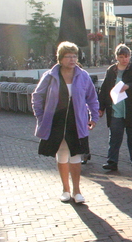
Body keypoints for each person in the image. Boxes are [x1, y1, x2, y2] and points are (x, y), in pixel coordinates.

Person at [32, 41, 99, 203]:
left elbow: (92, 97)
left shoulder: (82, 76)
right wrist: (41, 117)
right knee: (62, 154)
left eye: (74, 56)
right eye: (68, 56)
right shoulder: (50, 76)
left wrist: (93, 117)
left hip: (76, 121)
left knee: (75, 155)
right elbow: (37, 97)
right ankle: (65, 189)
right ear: (60, 59)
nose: (72, 59)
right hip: (56, 122)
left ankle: (77, 191)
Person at [98, 44, 132, 171]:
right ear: (117, 57)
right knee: (114, 137)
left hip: (131, 110)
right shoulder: (111, 70)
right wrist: (101, 107)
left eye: (127, 56)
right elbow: (104, 90)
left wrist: (128, 86)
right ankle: (112, 161)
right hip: (115, 109)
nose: (125, 59)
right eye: (121, 57)